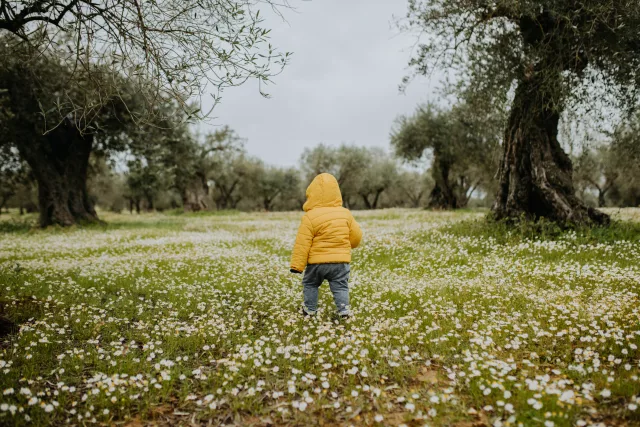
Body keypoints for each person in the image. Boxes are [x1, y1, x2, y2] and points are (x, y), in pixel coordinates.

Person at [290, 173, 362, 318]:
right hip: (340, 263)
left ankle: (310, 311)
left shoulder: (310, 217)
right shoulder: (345, 214)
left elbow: (302, 243)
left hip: (316, 264)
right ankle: (344, 312)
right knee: (341, 286)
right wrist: (349, 246)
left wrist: (297, 266)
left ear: (311, 195)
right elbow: (356, 237)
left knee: (310, 284)